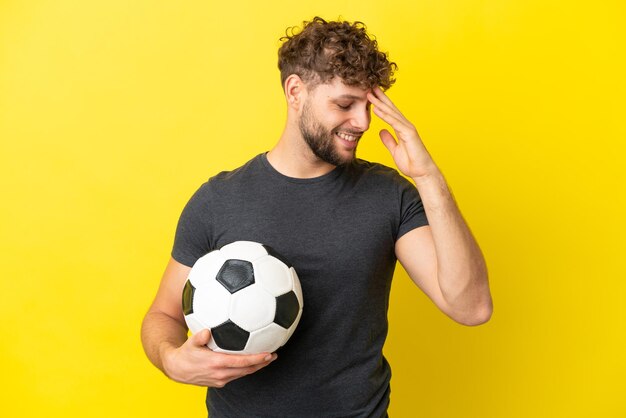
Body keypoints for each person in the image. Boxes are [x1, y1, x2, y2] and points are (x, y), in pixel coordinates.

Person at [141, 16, 493, 417]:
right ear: (296, 92)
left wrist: (430, 179)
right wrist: (171, 359)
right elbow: (162, 315)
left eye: (368, 105)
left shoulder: (389, 196)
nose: (361, 122)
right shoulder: (217, 200)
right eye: (345, 104)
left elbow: (471, 307)